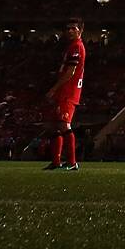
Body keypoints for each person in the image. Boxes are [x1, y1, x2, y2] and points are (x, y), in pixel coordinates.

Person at [44, 19, 85, 171]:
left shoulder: (77, 46)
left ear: (80, 30)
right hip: (64, 91)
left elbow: (70, 72)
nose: (69, 31)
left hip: (68, 91)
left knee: (63, 124)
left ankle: (73, 162)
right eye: (68, 29)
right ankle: (56, 162)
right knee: (55, 126)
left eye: (73, 28)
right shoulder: (72, 46)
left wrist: (54, 89)